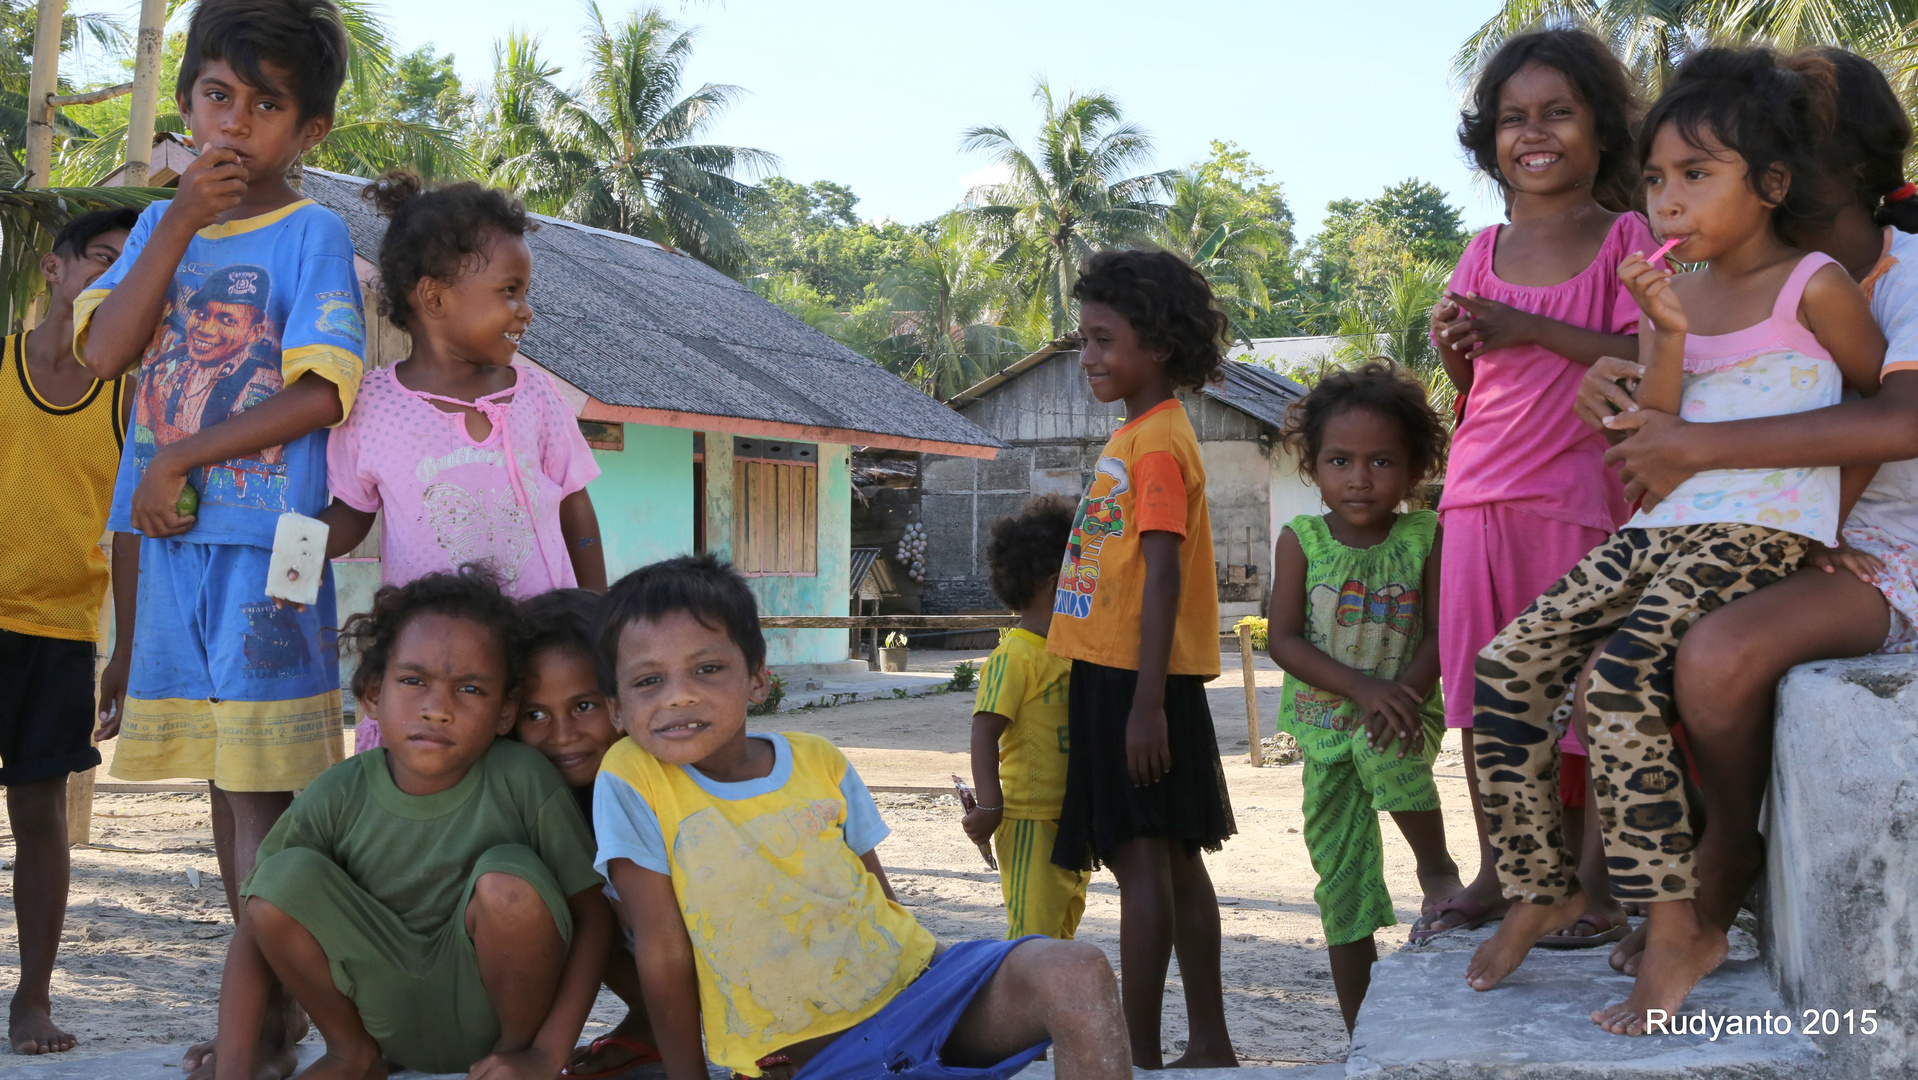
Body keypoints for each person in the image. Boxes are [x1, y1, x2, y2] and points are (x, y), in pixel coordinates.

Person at [1464, 47, 1887, 1035]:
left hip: (1757, 531)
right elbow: (1653, 427)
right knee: (1509, 661)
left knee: (1615, 683)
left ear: (1769, 185)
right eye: (1654, 178)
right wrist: (1660, 334)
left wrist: (1832, 520)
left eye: (1696, 174)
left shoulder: (1814, 284)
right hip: (1669, 522)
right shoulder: (1674, 293)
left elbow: (1875, 406)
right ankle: (1539, 883)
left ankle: (1676, 925)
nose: (1666, 197)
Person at [1574, 45, 1918, 979]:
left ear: (1810, 170)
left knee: (1718, 657)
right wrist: (1629, 394)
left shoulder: (1904, 275)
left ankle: (1727, 854)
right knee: (1599, 661)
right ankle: (1671, 882)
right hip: (1767, 528)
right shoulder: (1731, 285)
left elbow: (1899, 419)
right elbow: (1681, 426)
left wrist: (1703, 448)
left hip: (1882, 543)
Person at [70, 3, 366, 1073]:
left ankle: (280, 1025)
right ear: (188, 98)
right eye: (215, 96)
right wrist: (180, 224)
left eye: (267, 104)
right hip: (167, 545)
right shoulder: (160, 225)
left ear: (311, 132)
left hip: (262, 546)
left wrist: (184, 458)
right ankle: (272, 1011)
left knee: (260, 793)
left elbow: (322, 394)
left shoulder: (313, 234)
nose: (234, 124)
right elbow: (105, 352)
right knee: (221, 779)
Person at [592, 555, 1130, 1080]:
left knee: (1075, 970)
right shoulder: (634, 776)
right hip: (811, 1059)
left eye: (707, 669)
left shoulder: (817, 760)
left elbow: (877, 895)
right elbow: (660, 949)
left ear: (758, 680)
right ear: (616, 709)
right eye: (647, 682)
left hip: (924, 995)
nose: (680, 696)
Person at [1422, 27, 1654, 944]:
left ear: (1601, 131)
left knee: (1591, 693)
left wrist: (1526, 327)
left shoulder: (1627, 236)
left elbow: (1648, 355)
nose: (1535, 131)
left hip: (1586, 501)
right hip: (1479, 497)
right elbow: (1479, 385)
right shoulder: (1480, 248)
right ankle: (1503, 872)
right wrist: (1458, 347)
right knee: (1485, 700)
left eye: (1558, 111)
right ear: (1490, 142)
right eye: (1514, 117)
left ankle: (1594, 884)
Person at [209, 568, 610, 1080]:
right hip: (382, 1017)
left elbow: (592, 916)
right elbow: (256, 926)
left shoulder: (522, 778)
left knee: (507, 881)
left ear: (506, 710)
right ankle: (351, 1051)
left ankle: (507, 1058)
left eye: (469, 688)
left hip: (499, 1023)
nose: (438, 709)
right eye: (414, 681)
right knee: (280, 878)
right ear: (372, 693)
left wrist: (546, 1054)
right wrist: (233, 1069)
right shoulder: (339, 791)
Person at [320, 171, 606, 753]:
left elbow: (576, 507)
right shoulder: (372, 405)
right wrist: (273, 556)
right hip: (440, 663)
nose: (525, 311)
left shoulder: (534, 395)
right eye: (509, 291)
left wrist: (600, 618)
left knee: (539, 778)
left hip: (540, 648)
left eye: (525, 293)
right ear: (434, 297)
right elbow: (348, 517)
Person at [1046, 249, 1237, 1069]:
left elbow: (1163, 573)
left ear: (1155, 344)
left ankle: (1146, 1053)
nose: (1087, 356)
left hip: (1134, 679)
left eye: (1102, 338)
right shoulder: (1145, 433)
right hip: (1136, 676)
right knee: (1176, 861)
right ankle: (1209, 1043)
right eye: (1083, 339)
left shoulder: (1155, 444)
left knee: (1140, 863)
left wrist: (1146, 705)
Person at [1266, 361, 1458, 1033]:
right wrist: (1362, 688)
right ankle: (1360, 1034)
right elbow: (1283, 640)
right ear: (1313, 468)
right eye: (1340, 460)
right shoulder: (1302, 541)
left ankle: (1437, 872)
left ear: (1413, 470)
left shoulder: (1425, 537)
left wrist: (1400, 692)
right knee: (1340, 885)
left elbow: (1442, 629)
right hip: (1323, 727)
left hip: (1404, 710)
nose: (1359, 476)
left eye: (1381, 461)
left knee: (1383, 753)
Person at [0, 208, 136, 1056]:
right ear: (53, 271)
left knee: (39, 816)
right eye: (100, 262)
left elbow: (129, 527)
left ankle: (31, 1000)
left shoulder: (126, 396)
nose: (111, 281)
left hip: (58, 636)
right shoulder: (4, 363)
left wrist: (125, 649)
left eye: (130, 270)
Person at [512, 588, 661, 1080]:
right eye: (535, 714)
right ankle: (650, 1022)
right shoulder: (525, 793)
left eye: (584, 705)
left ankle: (660, 1025)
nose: (561, 734)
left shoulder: (664, 779)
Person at [961, 497, 1092, 941]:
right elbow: (984, 731)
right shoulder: (1014, 656)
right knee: (1032, 938)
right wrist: (990, 805)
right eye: (1086, 581)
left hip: (1071, 816)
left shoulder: (1073, 652)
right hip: (1029, 822)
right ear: (1060, 584)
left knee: (1062, 927)